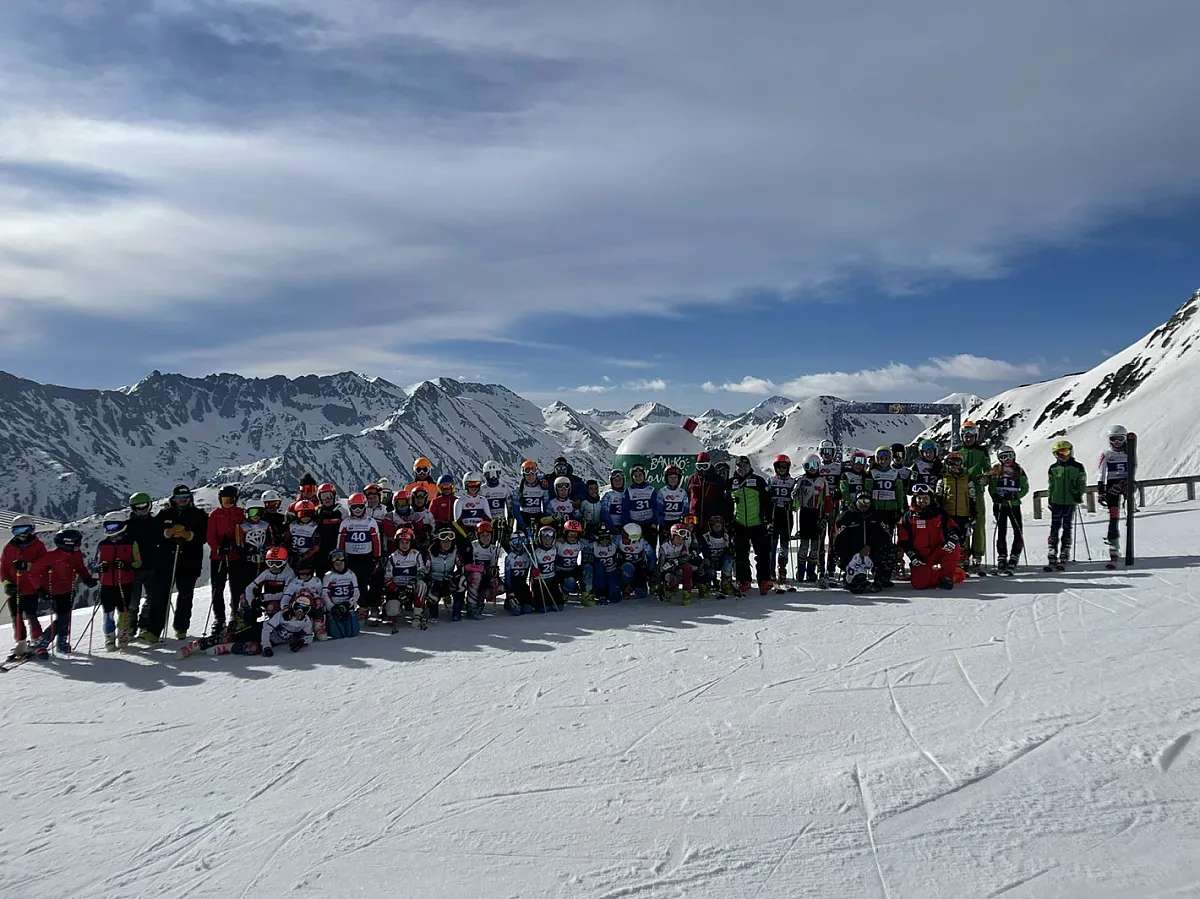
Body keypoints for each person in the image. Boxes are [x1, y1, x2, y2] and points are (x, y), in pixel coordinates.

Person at [144, 484, 208, 642]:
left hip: (190, 562)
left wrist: (189, 535)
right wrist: (167, 533)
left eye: (185, 498)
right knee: (160, 596)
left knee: (185, 596)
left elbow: (204, 536)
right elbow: (153, 533)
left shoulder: (198, 515)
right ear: (174, 499)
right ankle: (153, 631)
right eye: (179, 498)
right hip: (166, 561)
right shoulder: (165, 514)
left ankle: (181, 628)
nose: (183, 500)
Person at [26, 528, 97, 657]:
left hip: (69, 589)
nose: (79, 546)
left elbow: (80, 567)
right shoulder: (50, 557)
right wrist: (40, 589)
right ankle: (42, 643)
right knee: (62, 619)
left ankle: (61, 643)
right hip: (54, 591)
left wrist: (87, 579)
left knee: (66, 617)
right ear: (67, 544)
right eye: (76, 544)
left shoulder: (76, 554)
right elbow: (33, 573)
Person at [897, 483, 961, 590]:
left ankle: (948, 576)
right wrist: (912, 556)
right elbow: (903, 540)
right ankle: (934, 574)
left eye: (925, 498)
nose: (922, 501)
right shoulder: (907, 517)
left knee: (954, 547)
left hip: (939, 550)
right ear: (914, 499)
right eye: (919, 498)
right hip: (921, 556)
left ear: (931, 499)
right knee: (919, 585)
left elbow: (952, 527)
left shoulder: (939, 513)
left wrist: (952, 539)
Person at [94, 511, 143, 650]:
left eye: (114, 526)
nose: (112, 530)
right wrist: (100, 568)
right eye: (108, 527)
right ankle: (109, 638)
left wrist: (127, 565)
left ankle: (123, 635)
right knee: (107, 612)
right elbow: (94, 563)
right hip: (106, 584)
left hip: (125, 583)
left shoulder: (131, 543)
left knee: (124, 611)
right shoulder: (102, 544)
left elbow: (138, 562)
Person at [3, 516, 49, 658]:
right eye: (17, 531)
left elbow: (45, 564)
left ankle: (37, 639)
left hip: (30, 587)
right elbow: (3, 568)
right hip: (14, 588)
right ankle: (21, 642)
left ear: (31, 530)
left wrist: (28, 565)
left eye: (24, 530)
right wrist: (7, 584)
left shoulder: (38, 546)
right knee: (16, 616)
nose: (21, 534)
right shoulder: (9, 547)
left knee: (31, 615)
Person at [832, 493, 895, 591]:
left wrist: (870, 546)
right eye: (861, 501)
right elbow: (837, 540)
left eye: (867, 502)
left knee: (890, 549)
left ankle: (881, 578)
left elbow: (885, 537)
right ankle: (852, 577)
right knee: (858, 587)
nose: (864, 504)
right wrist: (851, 555)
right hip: (851, 554)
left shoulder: (877, 516)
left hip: (872, 552)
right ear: (856, 502)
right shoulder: (846, 516)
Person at [206, 484, 245, 636]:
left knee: (236, 588)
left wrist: (235, 546)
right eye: (224, 499)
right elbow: (210, 535)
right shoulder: (215, 514)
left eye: (230, 499)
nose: (227, 502)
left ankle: (235, 615)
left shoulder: (240, 513)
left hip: (235, 557)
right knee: (217, 588)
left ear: (235, 500)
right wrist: (218, 548)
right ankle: (219, 619)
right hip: (218, 557)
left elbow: (243, 531)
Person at [730, 456, 772, 594]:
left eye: (744, 466)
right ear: (735, 468)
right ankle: (744, 581)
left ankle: (764, 580)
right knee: (741, 554)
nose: (742, 468)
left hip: (757, 523)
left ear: (749, 466)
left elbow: (767, 502)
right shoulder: (731, 483)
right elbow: (727, 504)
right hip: (739, 523)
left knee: (762, 554)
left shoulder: (759, 481)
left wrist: (768, 520)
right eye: (739, 466)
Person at [1046, 439, 1087, 570]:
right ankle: (1052, 549)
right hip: (1056, 501)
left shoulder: (1077, 467)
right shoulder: (1053, 468)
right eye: (1059, 453)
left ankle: (1065, 550)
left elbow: (1082, 483)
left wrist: (1078, 494)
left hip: (1070, 501)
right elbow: (1051, 485)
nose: (1063, 455)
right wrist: (1050, 498)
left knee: (1067, 526)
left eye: (1065, 452)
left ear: (1071, 451)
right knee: (1055, 526)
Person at [988, 445, 1030, 573]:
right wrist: (996, 497)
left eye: (1010, 456)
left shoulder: (1019, 471)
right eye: (1004, 457)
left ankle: (1015, 555)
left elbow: (1025, 487)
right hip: (1001, 505)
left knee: (1018, 530)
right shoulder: (996, 470)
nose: (1007, 459)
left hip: (1014, 504)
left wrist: (1016, 495)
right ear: (999, 458)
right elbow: (992, 487)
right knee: (1001, 531)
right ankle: (1002, 556)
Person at [338, 493, 383, 609]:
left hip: (366, 557)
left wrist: (376, 557)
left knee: (365, 581)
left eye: (360, 506)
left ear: (365, 506)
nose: (357, 510)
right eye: (354, 507)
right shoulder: (346, 523)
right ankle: (356, 605)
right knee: (353, 581)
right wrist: (339, 556)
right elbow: (340, 541)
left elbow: (376, 541)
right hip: (350, 557)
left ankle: (368, 605)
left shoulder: (370, 522)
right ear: (350, 507)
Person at [124, 492, 161, 631]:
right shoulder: (128, 526)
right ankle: (130, 625)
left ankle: (144, 621)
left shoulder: (155, 522)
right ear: (133, 508)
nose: (143, 508)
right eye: (139, 506)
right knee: (133, 600)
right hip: (135, 568)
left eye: (145, 505)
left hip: (152, 566)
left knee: (152, 597)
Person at [959, 421, 992, 574]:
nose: (968, 438)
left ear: (976, 436)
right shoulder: (958, 451)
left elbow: (987, 469)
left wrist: (985, 477)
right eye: (966, 435)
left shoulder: (982, 452)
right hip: (962, 491)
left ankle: (978, 555)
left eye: (971, 435)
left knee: (978, 523)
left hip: (977, 492)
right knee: (963, 523)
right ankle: (964, 554)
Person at [382, 527, 430, 629]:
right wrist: (397, 591)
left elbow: (422, 571)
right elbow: (387, 579)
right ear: (397, 543)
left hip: (411, 587)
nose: (404, 545)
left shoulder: (416, 554)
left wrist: (414, 580)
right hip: (398, 589)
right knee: (392, 610)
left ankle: (417, 613)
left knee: (422, 584)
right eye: (402, 542)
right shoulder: (393, 557)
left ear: (411, 542)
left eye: (407, 542)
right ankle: (397, 610)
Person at [1097, 424, 1132, 563]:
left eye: (1120, 439)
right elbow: (1101, 472)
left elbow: (1133, 467)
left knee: (1128, 512)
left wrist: (1129, 482)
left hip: (1125, 482)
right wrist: (1101, 490)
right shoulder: (1107, 454)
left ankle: (1130, 507)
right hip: (1112, 484)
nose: (1117, 443)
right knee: (1114, 515)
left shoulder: (1128, 452)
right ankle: (1113, 543)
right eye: (1114, 439)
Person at [937, 452, 977, 574]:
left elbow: (972, 495)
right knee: (947, 537)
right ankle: (947, 560)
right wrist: (939, 511)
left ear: (961, 464)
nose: (954, 466)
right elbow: (938, 495)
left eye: (957, 463)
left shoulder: (967, 478)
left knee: (962, 537)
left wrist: (973, 510)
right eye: (951, 463)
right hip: (948, 513)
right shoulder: (943, 478)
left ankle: (962, 561)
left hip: (963, 512)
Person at [793, 455, 828, 584]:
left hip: (817, 513)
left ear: (819, 465)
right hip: (805, 513)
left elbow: (827, 499)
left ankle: (811, 572)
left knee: (815, 546)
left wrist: (826, 515)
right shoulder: (801, 480)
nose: (812, 469)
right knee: (803, 545)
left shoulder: (822, 481)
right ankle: (801, 571)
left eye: (814, 465)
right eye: (809, 466)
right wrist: (794, 497)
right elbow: (794, 500)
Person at [766, 454, 797, 584]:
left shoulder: (792, 482)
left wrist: (793, 502)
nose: (782, 469)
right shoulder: (771, 480)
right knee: (772, 544)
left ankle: (782, 566)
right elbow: (766, 497)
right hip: (775, 513)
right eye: (779, 466)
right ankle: (771, 569)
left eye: (784, 466)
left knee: (784, 543)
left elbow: (796, 501)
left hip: (786, 513)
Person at [464, 520, 502, 619]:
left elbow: (493, 566)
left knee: (499, 586)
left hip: (485, 577)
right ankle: (471, 607)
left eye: (488, 535)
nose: (486, 538)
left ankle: (481, 601)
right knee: (476, 577)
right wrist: (483, 570)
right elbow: (468, 566)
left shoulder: (493, 548)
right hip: (471, 576)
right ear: (478, 536)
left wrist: (494, 572)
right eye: (483, 536)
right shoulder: (473, 546)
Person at [282, 557, 327, 638]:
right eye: (302, 574)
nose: (305, 576)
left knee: (318, 602)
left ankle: (318, 627)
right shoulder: (294, 583)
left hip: (313, 606)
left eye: (308, 573)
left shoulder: (316, 582)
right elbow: (286, 597)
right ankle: (301, 628)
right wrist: (285, 609)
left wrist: (323, 606)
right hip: (299, 608)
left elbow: (322, 595)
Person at [260, 594, 314, 658]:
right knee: (253, 648)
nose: (300, 611)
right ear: (292, 605)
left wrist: (301, 642)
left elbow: (309, 636)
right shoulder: (281, 615)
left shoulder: (306, 621)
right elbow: (267, 629)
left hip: (280, 642)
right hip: (264, 636)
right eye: (297, 607)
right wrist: (266, 646)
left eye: (305, 609)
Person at [322, 549, 361, 639]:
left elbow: (356, 593)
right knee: (338, 634)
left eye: (341, 563)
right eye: (336, 564)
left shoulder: (351, 574)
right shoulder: (328, 576)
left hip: (347, 607)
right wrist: (332, 607)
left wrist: (347, 604)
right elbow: (325, 594)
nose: (339, 566)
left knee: (353, 632)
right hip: (334, 609)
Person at [428, 528, 464, 621]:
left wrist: (454, 575)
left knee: (462, 581)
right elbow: (425, 570)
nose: (446, 544)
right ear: (438, 541)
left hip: (448, 580)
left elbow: (461, 568)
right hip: (434, 582)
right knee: (431, 593)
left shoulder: (455, 551)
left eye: (449, 541)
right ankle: (432, 609)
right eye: (443, 541)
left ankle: (457, 610)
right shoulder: (430, 552)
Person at [688, 452, 729, 532]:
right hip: (695, 520)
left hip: (712, 521)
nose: (702, 469)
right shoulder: (692, 479)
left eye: (704, 466)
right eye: (699, 466)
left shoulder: (718, 480)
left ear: (709, 465)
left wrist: (722, 517)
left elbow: (723, 500)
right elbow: (688, 497)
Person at [696, 514, 736, 597]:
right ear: (711, 526)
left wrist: (730, 550)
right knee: (710, 572)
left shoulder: (726, 536)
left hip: (722, 560)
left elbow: (729, 551)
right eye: (715, 526)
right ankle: (708, 583)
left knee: (729, 560)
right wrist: (710, 560)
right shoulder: (706, 537)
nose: (717, 527)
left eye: (719, 525)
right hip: (710, 561)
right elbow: (705, 552)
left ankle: (725, 582)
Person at [625, 465, 662, 550]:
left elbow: (655, 507)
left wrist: (655, 522)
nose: (638, 478)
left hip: (649, 524)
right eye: (635, 475)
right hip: (635, 525)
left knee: (651, 548)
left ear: (644, 476)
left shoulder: (651, 490)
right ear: (632, 477)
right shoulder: (629, 491)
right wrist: (626, 524)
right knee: (636, 548)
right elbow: (625, 509)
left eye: (640, 475)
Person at [583, 524, 622, 605]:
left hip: (612, 572)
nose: (604, 540)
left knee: (615, 598)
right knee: (598, 566)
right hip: (599, 575)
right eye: (602, 537)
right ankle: (598, 592)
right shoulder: (592, 545)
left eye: (606, 537)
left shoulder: (615, 542)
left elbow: (627, 537)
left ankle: (614, 589)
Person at [529, 525, 565, 611]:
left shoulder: (554, 549)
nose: (547, 541)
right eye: (544, 539)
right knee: (542, 608)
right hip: (540, 581)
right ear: (540, 538)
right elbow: (532, 569)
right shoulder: (537, 552)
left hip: (551, 579)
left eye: (549, 539)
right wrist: (535, 572)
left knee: (559, 606)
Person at [657, 523, 694, 603]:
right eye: (678, 538)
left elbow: (686, 557)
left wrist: (675, 562)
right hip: (668, 570)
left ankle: (686, 591)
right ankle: (669, 588)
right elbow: (660, 564)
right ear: (672, 536)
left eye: (682, 539)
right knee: (669, 577)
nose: (680, 541)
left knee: (687, 568)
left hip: (679, 567)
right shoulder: (665, 547)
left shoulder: (684, 545)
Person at [618, 522, 656, 600]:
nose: (622, 537)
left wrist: (650, 570)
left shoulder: (643, 543)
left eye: (625, 536)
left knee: (642, 594)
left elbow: (652, 556)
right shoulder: (617, 540)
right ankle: (626, 587)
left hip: (638, 568)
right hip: (623, 568)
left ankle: (635, 586)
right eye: (622, 534)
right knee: (628, 567)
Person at [313, 482, 344, 576]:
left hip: (336, 549)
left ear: (334, 496)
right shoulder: (317, 512)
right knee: (321, 574)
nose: (327, 499)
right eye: (323, 496)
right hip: (321, 551)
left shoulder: (341, 511)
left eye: (329, 496)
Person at [513, 461, 549, 536]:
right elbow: (516, 511)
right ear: (523, 475)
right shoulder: (518, 490)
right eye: (527, 473)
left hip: (538, 517)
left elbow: (546, 508)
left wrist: (543, 521)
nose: (531, 476)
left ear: (536, 473)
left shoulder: (543, 488)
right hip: (524, 518)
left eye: (533, 472)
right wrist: (524, 526)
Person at [503, 533, 537, 614]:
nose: (519, 545)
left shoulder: (528, 556)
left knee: (528, 610)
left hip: (523, 586)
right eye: (516, 542)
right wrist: (509, 592)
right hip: (513, 588)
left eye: (522, 541)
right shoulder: (509, 558)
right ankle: (508, 603)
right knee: (516, 612)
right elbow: (507, 578)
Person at [481, 461, 511, 546]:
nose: (493, 477)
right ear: (485, 475)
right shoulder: (482, 489)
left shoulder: (504, 488)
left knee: (506, 547)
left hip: (501, 523)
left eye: (495, 474)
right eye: (489, 475)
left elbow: (510, 508)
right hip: (487, 524)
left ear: (499, 474)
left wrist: (510, 526)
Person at [287, 499, 321, 569]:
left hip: (308, 558)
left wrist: (307, 555)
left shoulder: (314, 527)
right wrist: (289, 549)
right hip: (293, 556)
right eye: (301, 514)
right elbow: (286, 540)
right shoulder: (292, 525)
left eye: (308, 514)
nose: (305, 517)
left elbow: (317, 545)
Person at [658, 465, 689, 539]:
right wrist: (662, 523)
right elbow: (659, 509)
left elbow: (686, 509)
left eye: (675, 477)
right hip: (665, 523)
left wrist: (684, 523)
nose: (673, 480)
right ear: (666, 479)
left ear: (679, 479)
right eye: (670, 477)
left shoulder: (682, 492)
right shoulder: (662, 492)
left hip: (678, 522)